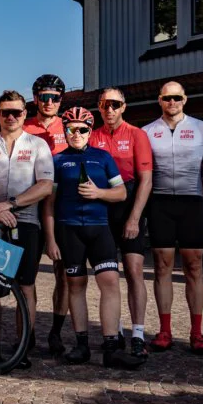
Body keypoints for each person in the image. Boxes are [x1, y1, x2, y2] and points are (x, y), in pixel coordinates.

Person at [42, 108, 142, 369]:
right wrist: (50, 239)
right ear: (65, 131)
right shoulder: (57, 161)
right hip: (68, 229)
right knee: (75, 286)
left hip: (100, 228)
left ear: (90, 130)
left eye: (82, 129)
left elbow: (120, 193)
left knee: (110, 282)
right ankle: (81, 345)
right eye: (71, 129)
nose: (76, 134)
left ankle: (111, 348)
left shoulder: (103, 157)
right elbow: (49, 204)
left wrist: (98, 193)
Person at [0, 90, 54, 366]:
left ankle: (22, 348)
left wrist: (11, 204)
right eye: (5, 112)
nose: (10, 117)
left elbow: (44, 185)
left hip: (27, 223)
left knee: (26, 286)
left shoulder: (39, 145)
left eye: (16, 112)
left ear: (24, 113)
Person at [143, 82, 203, 354]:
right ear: (160, 100)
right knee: (162, 266)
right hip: (160, 203)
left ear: (184, 99)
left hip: (191, 202)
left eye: (177, 97)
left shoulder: (201, 128)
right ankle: (165, 331)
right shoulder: (148, 132)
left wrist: (199, 197)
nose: (172, 102)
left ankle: (196, 333)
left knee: (194, 266)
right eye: (167, 98)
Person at [91, 88, 153, 359]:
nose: (110, 109)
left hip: (129, 206)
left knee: (134, 270)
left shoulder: (137, 135)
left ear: (124, 107)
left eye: (115, 104)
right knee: (108, 274)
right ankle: (114, 332)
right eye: (105, 104)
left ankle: (138, 333)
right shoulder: (93, 136)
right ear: (99, 106)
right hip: (102, 207)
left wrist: (135, 218)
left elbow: (146, 180)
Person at [24, 73, 72, 356]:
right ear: (35, 99)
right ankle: (27, 333)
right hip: (32, 206)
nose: (50, 102)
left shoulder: (70, 127)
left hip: (61, 207)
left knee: (63, 273)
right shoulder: (24, 126)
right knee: (27, 275)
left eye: (55, 98)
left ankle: (55, 331)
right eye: (45, 97)